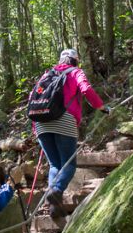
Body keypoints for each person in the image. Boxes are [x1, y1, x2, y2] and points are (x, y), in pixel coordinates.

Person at [33, 48, 107, 218]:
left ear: (61, 60)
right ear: (75, 61)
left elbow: (34, 98)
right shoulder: (75, 72)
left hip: (41, 123)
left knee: (55, 165)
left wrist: (36, 128)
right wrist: (101, 107)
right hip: (64, 120)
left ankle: (54, 207)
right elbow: (86, 90)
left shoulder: (47, 75)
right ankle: (57, 190)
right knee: (69, 165)